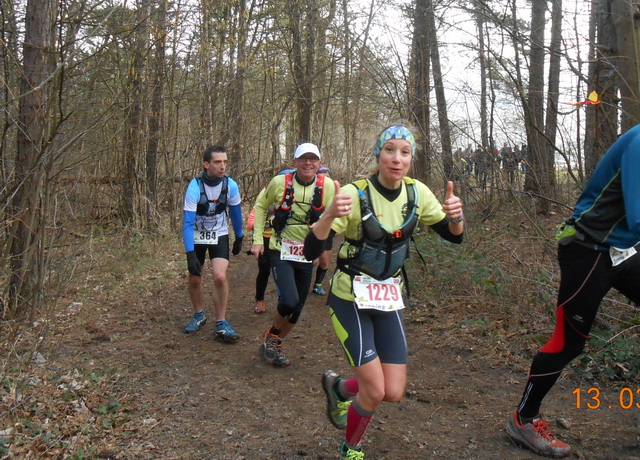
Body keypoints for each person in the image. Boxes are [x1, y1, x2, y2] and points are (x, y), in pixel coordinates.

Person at [303, 125, 465, 459]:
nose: (397, 158)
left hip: (389, 298)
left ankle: (339, 388)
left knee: (393, 391)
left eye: (405, 152)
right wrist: (330, 214)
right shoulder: (354, 191)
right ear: (378, 154)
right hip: (350, 298)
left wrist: (456, 218)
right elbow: (310, 249)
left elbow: (453, 236)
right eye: (389, 150)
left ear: (411, 159)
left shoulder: (417, 193)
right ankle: (352, 448)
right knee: (375, 391)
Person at [505, 125, 640, 458]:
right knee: (568, 342)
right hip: (588, 249)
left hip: (625, 251)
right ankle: (524, 418)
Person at [251, 143, 336, 367]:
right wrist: (258, 240)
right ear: (294, 162)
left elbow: (333, 218)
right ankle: (273, 338)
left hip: (306, 253)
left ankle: (274, 340)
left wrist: (320, 247)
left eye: (313, 159)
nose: (308, 163)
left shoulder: (327, 186)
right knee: (289, 301)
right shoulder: (280, 183)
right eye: (303, 159)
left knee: (296, 311)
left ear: (319, 163)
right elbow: (261, 206)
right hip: (281, 249)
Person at [182, 145, 243, 343]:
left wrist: (239, 236)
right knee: (195, 278)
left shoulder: (230, 185)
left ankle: (221, 321)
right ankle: (199, 314)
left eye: (225, 162)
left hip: (219, 233)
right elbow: (188, 222)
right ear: (206, 164)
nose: (223, 166)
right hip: (197, 234)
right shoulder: (194, 187)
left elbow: (235, 212)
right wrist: (190, 253)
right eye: (218, 162)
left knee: (219, 276)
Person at [246, 186, 275, 314]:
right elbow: (251, 222)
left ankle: (285, 301)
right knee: (264, 270)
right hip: (266, 238)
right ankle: (260, 301)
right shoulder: (265, 194)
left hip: (284, 239)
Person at [312, 165, 334, 296]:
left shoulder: (334, 190)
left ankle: (318, 284)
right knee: (312, 259)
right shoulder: (312, 190)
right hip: (313, 228)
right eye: (322, 177)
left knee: (324, 259)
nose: (325, 180)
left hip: (328, 229)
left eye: (327, 177)